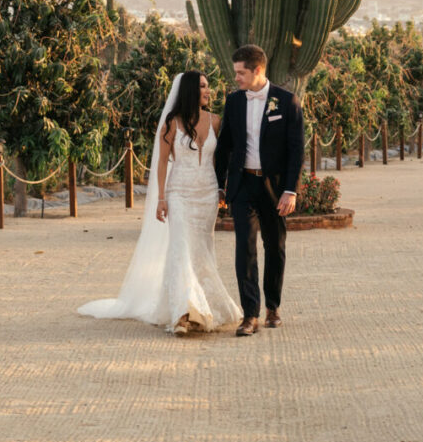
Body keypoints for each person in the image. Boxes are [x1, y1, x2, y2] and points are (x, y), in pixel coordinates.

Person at [77, 71, 242, 334]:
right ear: (189, 90)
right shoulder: (171, 124)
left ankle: (204, 304)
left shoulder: (215, 121)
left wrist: (221, 190)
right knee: (180, 248)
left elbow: (217, 160)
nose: (208, 91)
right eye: (202, 86)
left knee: (202, 249)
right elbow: (162, 162)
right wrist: (162, 198)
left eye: (208, 86)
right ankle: (184, 313)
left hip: (207, 194)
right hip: (179, 193)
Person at [212, 44, 304, 337]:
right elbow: (224, 145)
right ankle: (249, 315)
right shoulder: (234, 101)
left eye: (241, 72)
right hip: (243, 185)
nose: (236, 77)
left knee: (275, 247)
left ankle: (272, 308)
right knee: (245, 248)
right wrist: (220, 185)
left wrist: (290, 190)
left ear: (258, 70)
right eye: (235, 72)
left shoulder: (287, 101)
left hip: (275, 187)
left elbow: (296, 150)